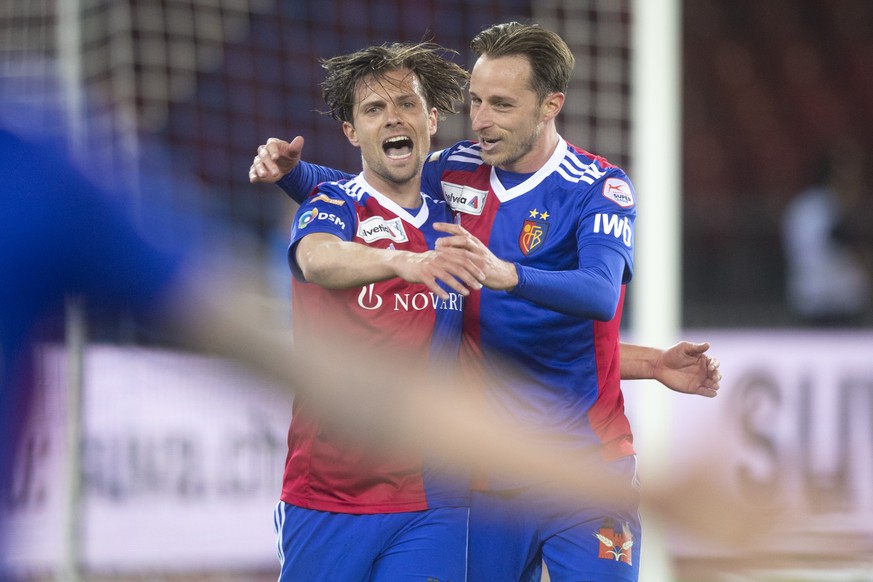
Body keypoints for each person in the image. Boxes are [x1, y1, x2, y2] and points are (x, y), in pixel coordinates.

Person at [250, 22, 720, 581]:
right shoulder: (456, 171)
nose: (479, 121)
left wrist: (507, 273)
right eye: (474, 102)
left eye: (500, 104)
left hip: (588, 473)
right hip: (487, 477)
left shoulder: (599, 186)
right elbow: (376, 181)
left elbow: (597, 293)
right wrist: (294, 174)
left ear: (551, 105)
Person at [272, 42, 487, 581]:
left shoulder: (458, 222)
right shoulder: (333, 203)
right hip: (329, 490)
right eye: (373, 109)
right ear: (351, 132)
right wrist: (403, 262)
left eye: (407, 104)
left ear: (432, 120)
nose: (393, 117)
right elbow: (316, 259)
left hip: (435, 495)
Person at [781, 139, 872, 326]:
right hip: (816, 307)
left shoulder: (861, 207)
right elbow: (818, 250)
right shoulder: (808, 208)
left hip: (851, 307)